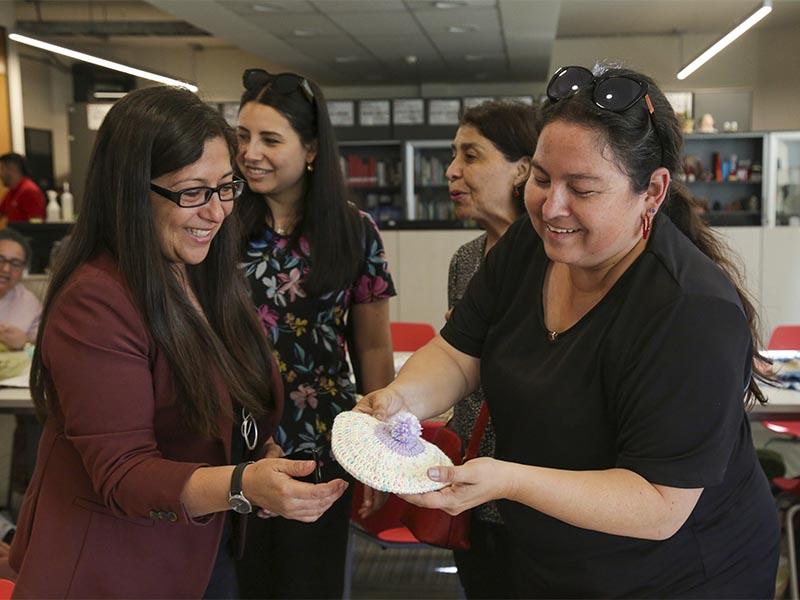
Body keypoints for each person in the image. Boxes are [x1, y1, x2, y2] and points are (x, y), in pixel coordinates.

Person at [357, 64, 780, 597]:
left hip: (677, 574)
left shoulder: (691, 311)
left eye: (581, 188)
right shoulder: (530, 246)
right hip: (558, 558)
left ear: (652, 191)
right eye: (539, 178)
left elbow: (658, 505)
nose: (551, 207)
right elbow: (459, 353)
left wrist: (509, 478)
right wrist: (399, 399)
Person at [8, 86, 348, 599]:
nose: (216, 212)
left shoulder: (205, 276)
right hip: (115, 566)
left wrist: (256, 457)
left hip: (201, 550)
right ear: (130, 191)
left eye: (227, 187)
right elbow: (124, 474)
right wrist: (241, 483)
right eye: (192, 192)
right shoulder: (96, 301)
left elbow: (228, 406)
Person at [235, 68, 396, 599]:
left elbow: (372, 347)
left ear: (309, 150)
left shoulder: (353, 231)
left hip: (321, 439)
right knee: (238, 579)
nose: (250, 152)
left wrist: (377, 453)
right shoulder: (217, 225)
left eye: (269, 139)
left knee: (312, 582)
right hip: (231, 435)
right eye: (243, 137)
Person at [444, 100, 536, 599]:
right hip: (473, 491)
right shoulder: (465, 261)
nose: (452, 171)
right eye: (454, 155)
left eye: (471, 156)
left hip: (539, 491)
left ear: (523, 169)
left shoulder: (557, 256)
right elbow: (459, 369)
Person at [0, 228, 41, 350]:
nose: (6, 269)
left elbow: (43, 347)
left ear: (23, 270)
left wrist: (25, 342)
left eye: (15, 263)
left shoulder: (30, 303)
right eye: (0, 259)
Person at [0, 154, 45, 223]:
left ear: (12, 169)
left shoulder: (30, 191)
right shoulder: (12, 192)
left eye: (2, 168)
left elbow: (36, 226)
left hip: (24, 233)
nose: (0, 173)